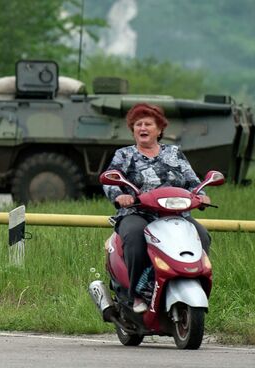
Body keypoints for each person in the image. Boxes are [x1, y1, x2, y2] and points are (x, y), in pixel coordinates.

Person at [102, 103, 212, 314]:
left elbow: (192, 181)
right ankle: (137, 292)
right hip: (137, 213)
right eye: (138, 124)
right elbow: (110, 180)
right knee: (134, 237)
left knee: (202, 236)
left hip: (175, 214)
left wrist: (200, 195)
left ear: (159, 129)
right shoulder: (124, 155)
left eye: (148, 124)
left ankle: (192, 282)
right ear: (133, 130)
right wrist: (120, 196)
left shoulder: (174, 153)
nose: (143, 128)